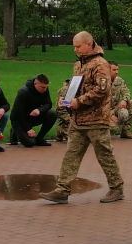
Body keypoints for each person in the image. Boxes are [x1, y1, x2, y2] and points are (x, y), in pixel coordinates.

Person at [41, 32, 124, 204]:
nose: (75, 49)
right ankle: (62, 190)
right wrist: (68, 98)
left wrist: (79, 101)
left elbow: (102, 90)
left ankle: (117, 188)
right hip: (78, 120)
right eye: (74, 46)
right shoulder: (79, 64)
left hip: (96, 120)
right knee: (71, 154)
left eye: (78, 46)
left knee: (104, 155)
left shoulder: (100, 64)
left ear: (88, 44)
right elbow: (76, 85)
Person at [9, 74, 55, 147]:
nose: (45, 89)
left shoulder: (44, 89)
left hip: (33, 116)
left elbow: (48, 104)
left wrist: (39, 110)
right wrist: (28, 129)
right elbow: (18, 114)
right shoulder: (23, 92)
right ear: (35, 84)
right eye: (42, 87)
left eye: (46, 87)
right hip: (19, 119)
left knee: (52, 113)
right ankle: (14, 131)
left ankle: (39, 138)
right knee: (30, 143)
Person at [109, 63, 132, 139]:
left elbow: (127, 92)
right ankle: (101, 134)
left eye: (117, 69)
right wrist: (110, 115)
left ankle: (126, 131)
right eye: (114, 70)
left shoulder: (119, 80)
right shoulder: (101, 82)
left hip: (115, 108)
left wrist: (124, 100)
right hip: (103, 111)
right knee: (113, 128)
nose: (117, 72)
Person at [54, 78, 71, 143]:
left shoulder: (62, 89)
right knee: (70, 121)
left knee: (61, 122)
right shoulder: (66, 89)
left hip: (60, 109)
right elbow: (63, 102)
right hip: (63, 110)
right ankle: (66, 135)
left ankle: (59, 136)